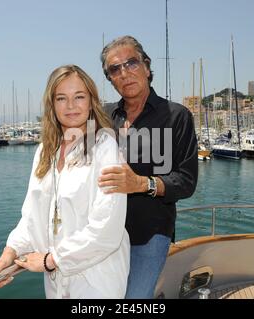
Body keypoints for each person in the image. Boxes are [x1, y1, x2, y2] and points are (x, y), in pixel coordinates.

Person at [0, 65, 130, 298]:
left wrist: (52, 259)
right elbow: (32, 215)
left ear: (92, 101)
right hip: (54, 279)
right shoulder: (45, 151)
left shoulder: (106, 147)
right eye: (61, 98)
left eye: (79, 97)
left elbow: (108, 226)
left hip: (97, 277)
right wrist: (10, 253)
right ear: (52, 105)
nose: (71, 106)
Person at [99, 35, 198, 299]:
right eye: (115, 69)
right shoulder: (102, 116)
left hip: (149, 235)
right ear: (109, 78)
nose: (125, 73)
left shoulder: (177, 116)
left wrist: (142, 183)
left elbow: (187, 181)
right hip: (105, 235)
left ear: (146, 66)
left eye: (131, 63)